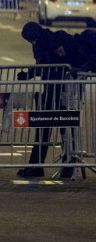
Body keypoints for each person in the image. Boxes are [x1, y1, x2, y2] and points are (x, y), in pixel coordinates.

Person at [16, 22, 78, 178]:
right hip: (49, 90)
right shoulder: (38, 44)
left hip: (64, 90)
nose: (32, 43)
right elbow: (41, 65)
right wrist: (28, 75)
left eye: (32, 40)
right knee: (42, 128)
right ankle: (36, 165)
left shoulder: (56, 38)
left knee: (65, 127)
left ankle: (69, 164)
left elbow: (74, 57)